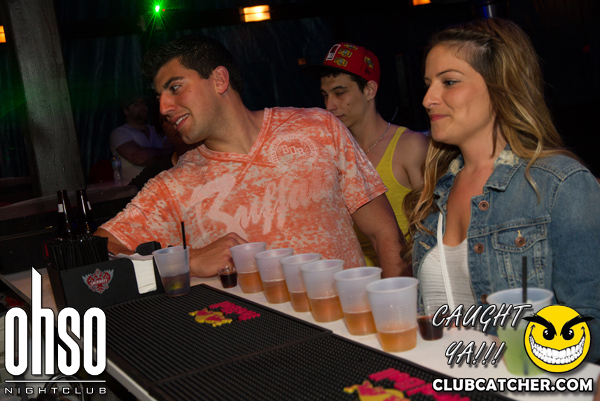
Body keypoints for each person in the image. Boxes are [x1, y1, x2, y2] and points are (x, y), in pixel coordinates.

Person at [95, 34, 408, 279]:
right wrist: (186, 261)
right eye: (159, 96)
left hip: (351, 328)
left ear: (219, 80)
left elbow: (384, 233)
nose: (163, 107)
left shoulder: (319, 127)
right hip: (256, 340)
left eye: (175, 88)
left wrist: (399, 314)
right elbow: (100, 251)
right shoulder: (173, 187)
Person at [402, 18, 600, 362]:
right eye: (428, 84)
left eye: (449, 82)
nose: (428, 99)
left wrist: (514, 351)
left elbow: (592, 323)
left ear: (500, 87)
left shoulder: (558, 184)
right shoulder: (435, 193)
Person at [304, 43, 428, 269]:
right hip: (349, 281)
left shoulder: (410, 146)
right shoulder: (328, 154)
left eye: (340, 93)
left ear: (369, 90)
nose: (329, 105)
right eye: (325, 95)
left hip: (401, 280)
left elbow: (434, 230)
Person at [129, 101, 201, 191]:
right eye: (167, 119)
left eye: (182, 116)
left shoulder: (214, 158)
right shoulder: (158, 171)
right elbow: (131, 190)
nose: (176, 124)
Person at [109, 93, 173, 182]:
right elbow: (139, 159)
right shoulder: (119, 133)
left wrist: (151, 152)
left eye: (143, 103)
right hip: (135, 186)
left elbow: (174, 153)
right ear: (126, 111)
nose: (143, 107)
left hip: (163, 183)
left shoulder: (157, 129)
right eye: (136, 104)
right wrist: (163, 153)